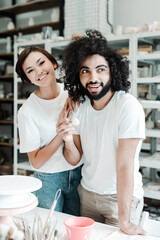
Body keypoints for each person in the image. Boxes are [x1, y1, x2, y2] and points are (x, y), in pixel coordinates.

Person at [56, 29, 146, 235]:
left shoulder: (127, 106)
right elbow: (74, 159)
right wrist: (68, 141)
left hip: (119, 199)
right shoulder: (80, 106)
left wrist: (125, 221)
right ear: (77, 76)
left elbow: (124, 166)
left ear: (112, 71)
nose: (93, 77)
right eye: (85, 71)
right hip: (87, 195)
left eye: (100, 69)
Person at [16, 46, 82, 216]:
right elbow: (36, 162)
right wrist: (60, 135)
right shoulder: (27, 112)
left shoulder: (72, 94)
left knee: (75, 230)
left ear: (53, 63)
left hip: (79, 174)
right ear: (29, 79)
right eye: (30, 70)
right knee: (49, 230)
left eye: (41, 63)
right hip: (49, 180)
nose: (39, 71)